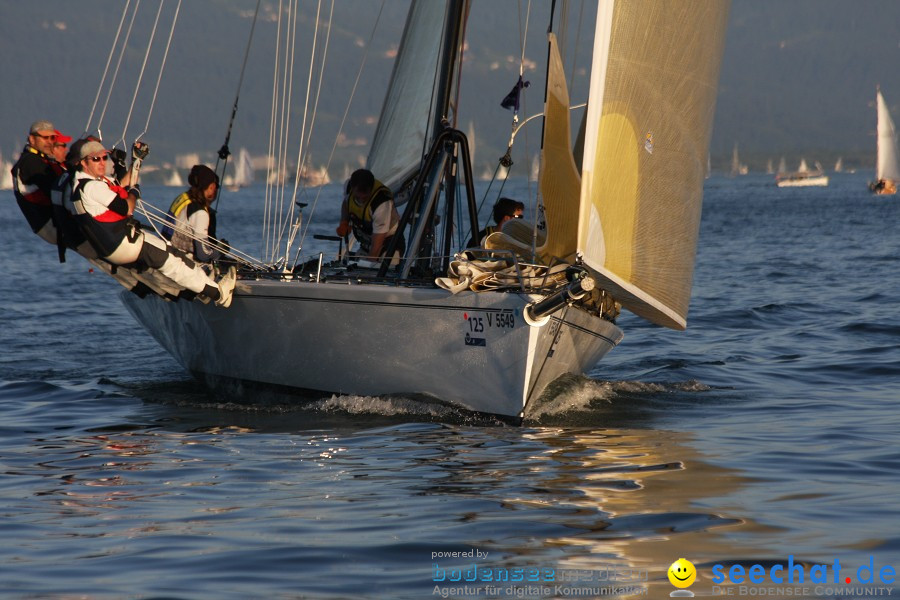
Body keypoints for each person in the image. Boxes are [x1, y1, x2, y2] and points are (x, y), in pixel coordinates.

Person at [69, 140, 236, 307]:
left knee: (174, 255)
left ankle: (203, 292)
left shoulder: (81, 185)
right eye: (95, 159)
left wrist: (137, 161)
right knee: (172, 263)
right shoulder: (93, 187)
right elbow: (127, 208)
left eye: (104, 157)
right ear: (84, 162)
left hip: (115, 246)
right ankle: (218, 294)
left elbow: (121, 185)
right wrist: (134, 193)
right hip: (124, 244)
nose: (102, 162)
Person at [11, 120, 67, 246]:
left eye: (52, 138)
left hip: (48, 224)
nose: (49, 142)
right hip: (49, 224)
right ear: (32, 139)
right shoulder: (31, 162)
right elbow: (56, 189)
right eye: (44, 137)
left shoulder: (38, 159)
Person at [336, 168, 404, 262]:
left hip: (388, 242)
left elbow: (378, 238)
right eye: (358, 196)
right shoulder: (348, 186)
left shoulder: (381, 203)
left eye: (365, 197)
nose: (361, 200)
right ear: (352, 187)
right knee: (355, 267)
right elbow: (346, 203)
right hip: (367, 242)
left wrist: (369, 263)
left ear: (371, 189)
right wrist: (344, 222)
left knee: (378, 267)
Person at [166, 164, 222, 263]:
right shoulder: (200, 213)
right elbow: (203, 255)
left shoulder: (182, 198)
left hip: (168, 254)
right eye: (216, 186)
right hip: (182, 263)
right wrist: (221, 250)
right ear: (211, 187)